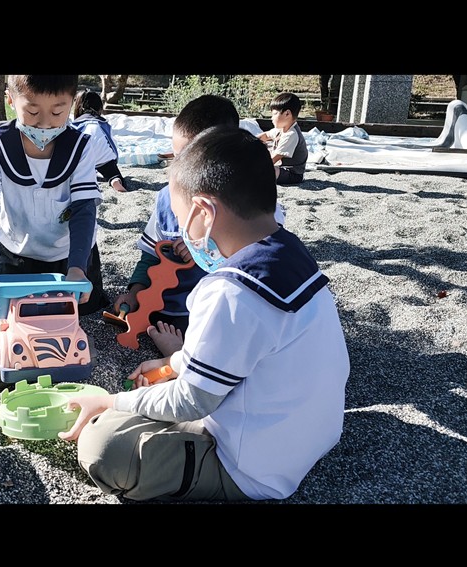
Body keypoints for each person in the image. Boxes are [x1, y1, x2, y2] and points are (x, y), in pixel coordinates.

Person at [59, 127, 350, 503]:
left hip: (252, 469)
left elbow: (191, 402)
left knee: (105, 444)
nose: (183, 233)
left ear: (204, 212)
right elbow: (249, 345)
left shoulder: (230, 289)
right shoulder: (289, 250)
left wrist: (110, 402)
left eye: (183, 221)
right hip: (309, 437)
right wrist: (176, 362)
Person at [112, 94, 285, 356]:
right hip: (164, 308)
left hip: (213, 315)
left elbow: (260, 268)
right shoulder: (167, 199)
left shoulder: (252, 208)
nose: (180, 171)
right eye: (177, 158)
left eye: (190, 159)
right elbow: (150, 255)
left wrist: (203, 247)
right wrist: (136, 292)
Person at [0, 74, 108, 317]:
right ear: (11, 99)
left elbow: (84, 209)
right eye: (32, 111)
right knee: (14, 315)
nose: (44, 124)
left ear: (71, 103)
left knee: (82, 312)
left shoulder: (81, 147)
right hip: (17, 254)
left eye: (57, 112)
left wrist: (77, 268)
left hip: (72, 255)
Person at [71, 89, 127, 193]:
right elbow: (112, 143)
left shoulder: (76, 124)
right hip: (103, 156)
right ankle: (114, 179)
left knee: (76, 170)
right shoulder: (102, 123)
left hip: (82, 156)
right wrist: (113, 160)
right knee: (112, 172)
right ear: (99, 107)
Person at [257, 91, 308, 185]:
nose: (272, 118)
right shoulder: (281, 129)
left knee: (265, 170)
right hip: (281, 168)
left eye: (274, 114)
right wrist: (249, 142)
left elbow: (274, 159)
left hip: (292, 173)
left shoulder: (291, 134)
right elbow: (265, 136)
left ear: (287, 114)